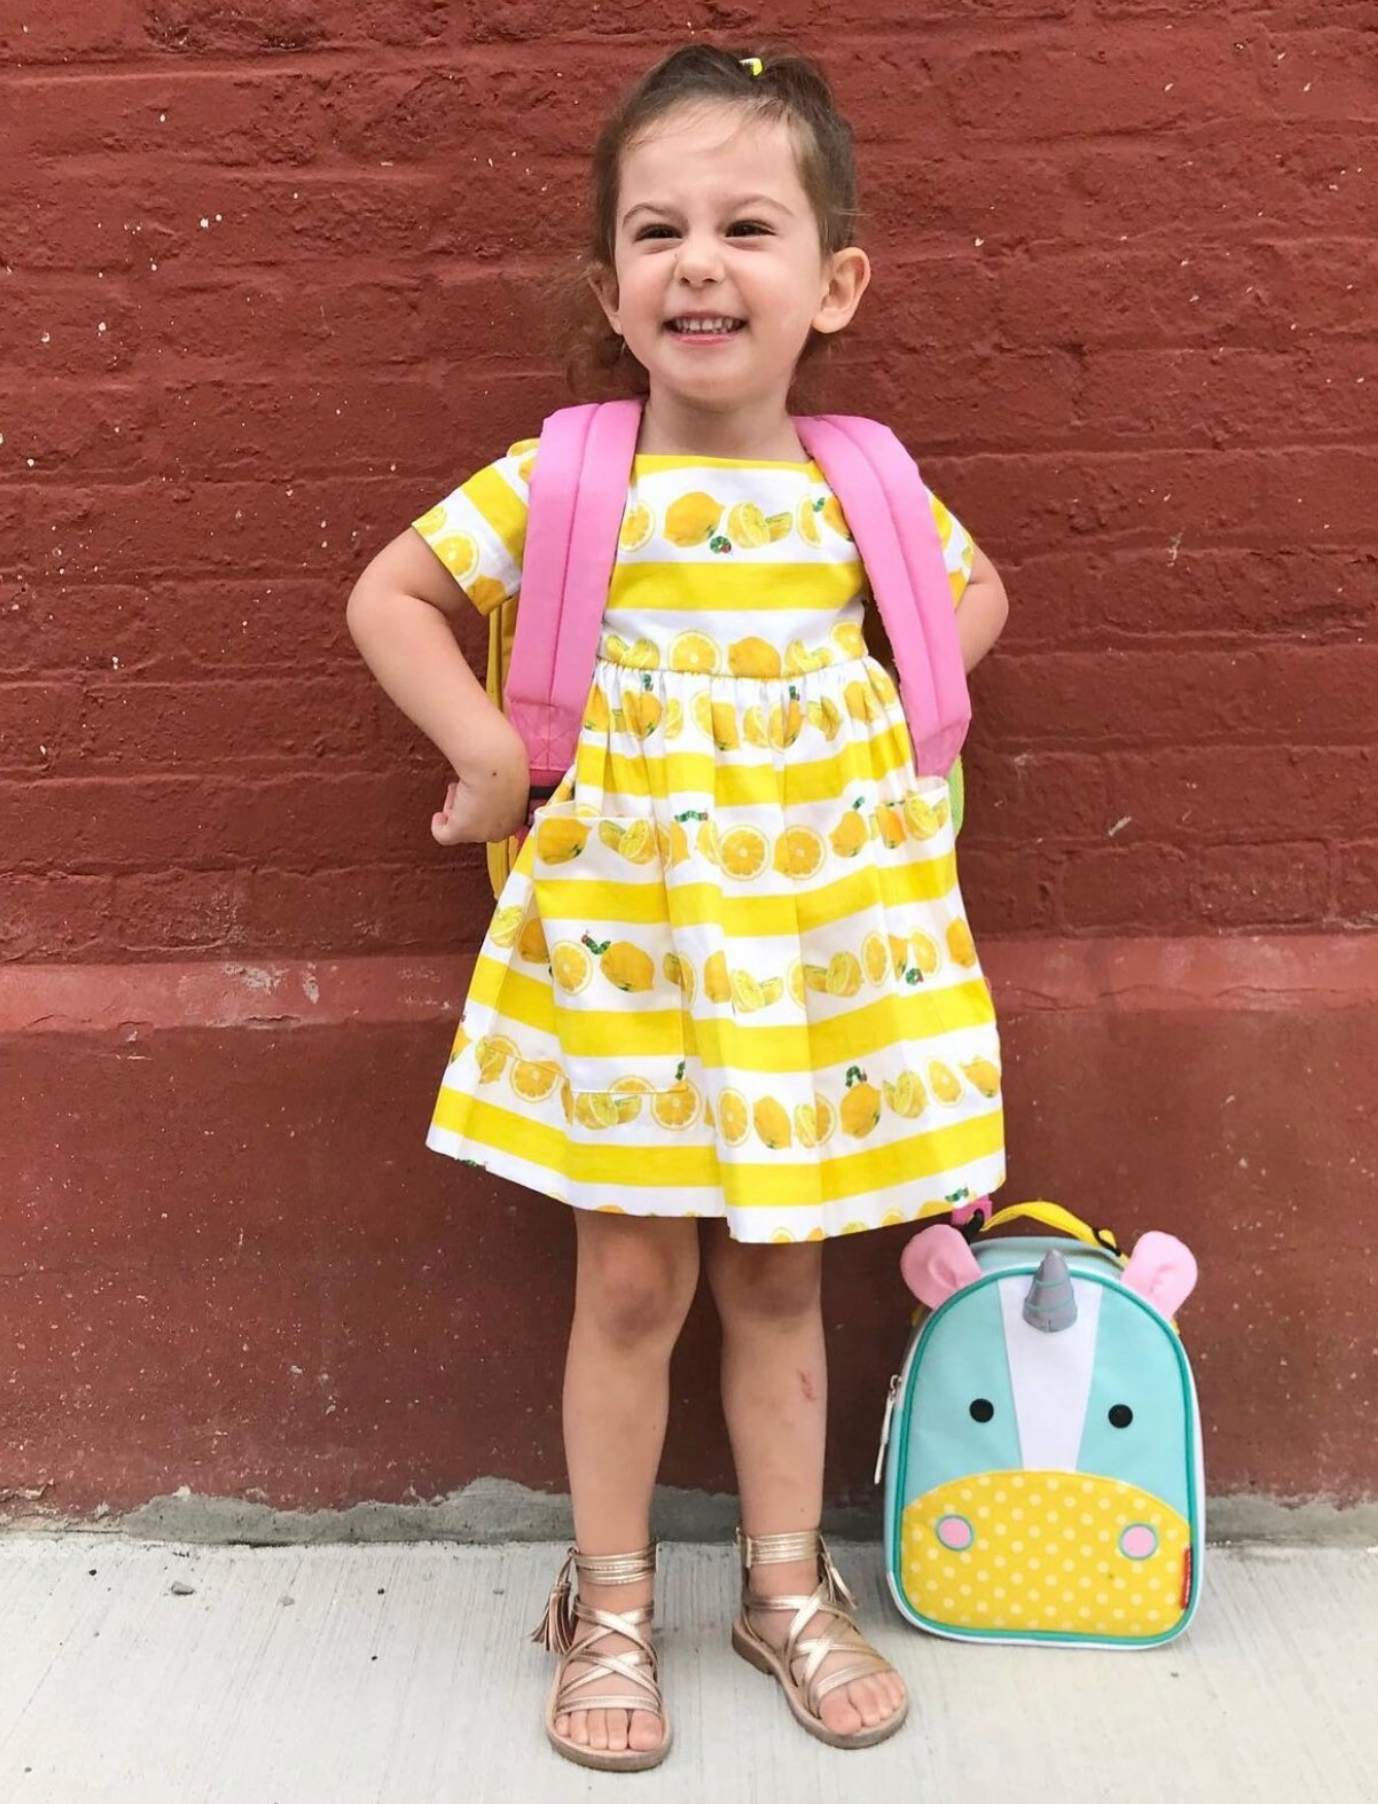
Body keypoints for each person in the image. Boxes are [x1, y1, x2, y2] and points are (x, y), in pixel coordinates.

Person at [346, 42, 1009, 1773]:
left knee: (781, 1275)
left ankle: (784, 1585)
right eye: (657, 231)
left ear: (834, 283)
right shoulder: (571, 476)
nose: (699, 261)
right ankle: (611, 1593)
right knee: (631, 1279)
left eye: (746, 226)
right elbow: (395, 594)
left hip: (797, 963)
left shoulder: (861, 484)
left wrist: (878, 731)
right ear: (612, 289)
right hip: (631, 961)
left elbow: (967, 600)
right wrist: (492, 757)